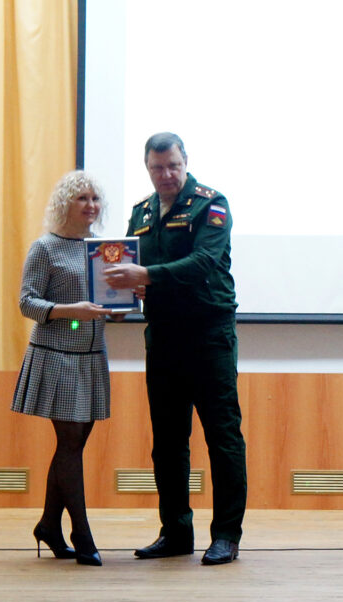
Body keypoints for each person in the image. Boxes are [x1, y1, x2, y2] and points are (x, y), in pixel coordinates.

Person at [104, 132, 247, 565]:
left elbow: (203, 262)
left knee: (223, 438)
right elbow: (126, 264)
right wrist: (117, 302)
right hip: (163, 337)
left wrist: (145, 276)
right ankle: (176, 532)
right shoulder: (142, 212)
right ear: (147, 168)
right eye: (157, 168)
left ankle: (225, 535)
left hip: (208, 336)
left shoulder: (210, 203)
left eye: (173, 167)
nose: (166, 175)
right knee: (168, 442)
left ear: (185, 163)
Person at [11, 170, 116, 567]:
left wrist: (121, 307)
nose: (91, 205)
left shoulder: (103, 249)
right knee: (70, 443)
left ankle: (49, 525)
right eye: (82, 198)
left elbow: (108, 300)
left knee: (72, 445)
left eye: (95, 198)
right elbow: (27, 303)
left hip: (91, 357)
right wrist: (74, 313)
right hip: (56, 356)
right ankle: (82, 532)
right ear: (65, 204)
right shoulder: (45, 247)